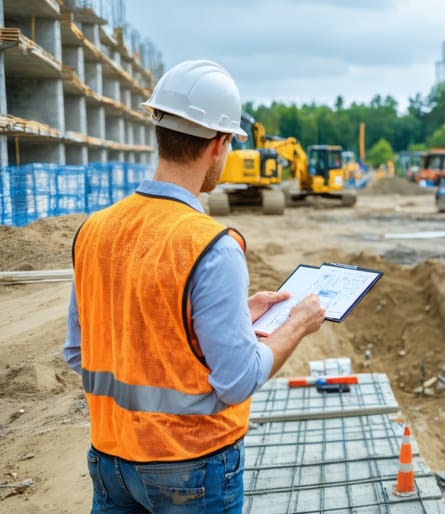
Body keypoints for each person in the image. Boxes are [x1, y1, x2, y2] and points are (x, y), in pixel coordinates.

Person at [63, 59, 326, 513]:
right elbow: (238, 379)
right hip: (191, 467)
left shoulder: (94, 231)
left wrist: (234, 315)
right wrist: (297, 323)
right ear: (220, 144)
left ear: (159, 129)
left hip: (110, 458)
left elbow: (79, 351)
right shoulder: (211, 246)